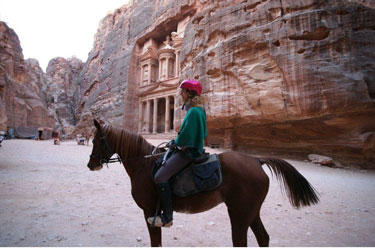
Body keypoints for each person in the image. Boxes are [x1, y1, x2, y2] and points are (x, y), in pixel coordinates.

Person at [147, 79, 207, 228]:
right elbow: (190, 133)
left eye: (183, 91)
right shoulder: (197, 109)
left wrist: (175, 142)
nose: (180, 94)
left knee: (160, 177)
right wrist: (176, 141)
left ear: (189, 93)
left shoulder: (193, 111)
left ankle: (167, 217)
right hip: (191, 148)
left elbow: (187, 137)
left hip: (190, 152)